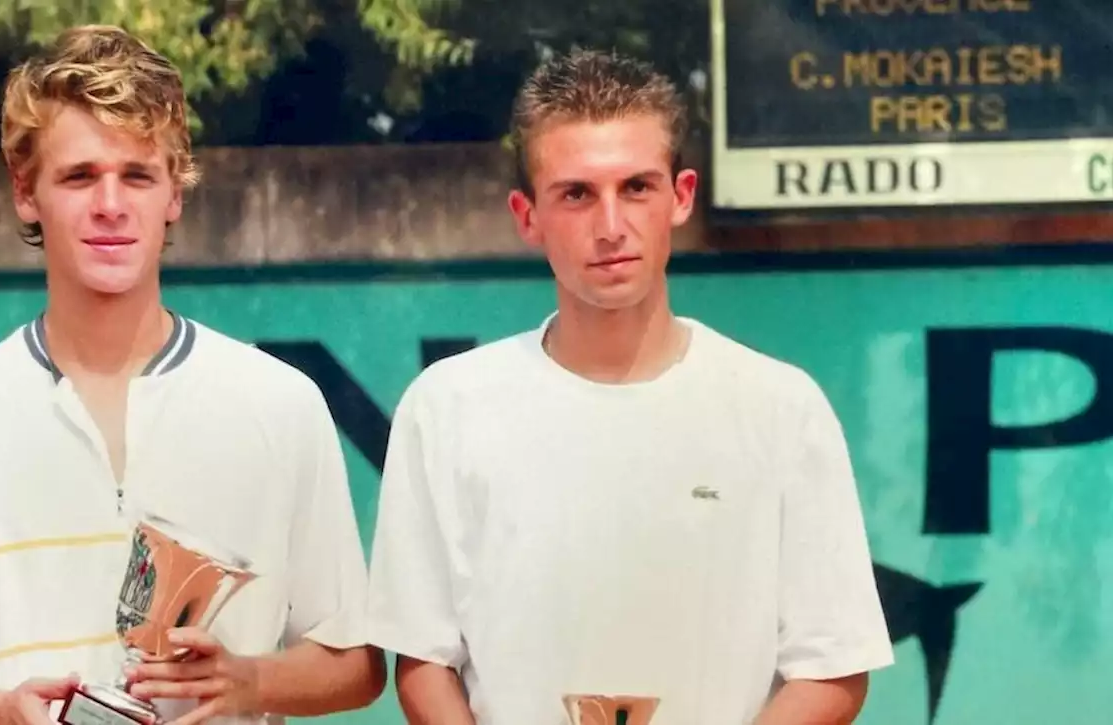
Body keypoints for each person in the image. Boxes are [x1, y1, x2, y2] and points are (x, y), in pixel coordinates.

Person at [0, 25, 384, 725]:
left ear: (175, 192)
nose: (110, 204)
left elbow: (356, 661)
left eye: (137, 174)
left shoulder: (281, 404)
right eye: (79, 176)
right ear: (25, 190)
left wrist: (248, 682)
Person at [364, 48, 894, 725]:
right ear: (528, 216)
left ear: (681, 195)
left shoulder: (782, 408)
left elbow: (832, 668)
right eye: (577, 194)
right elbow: (423, 663)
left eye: (636, 187)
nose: (611, 226)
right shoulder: (445, 408)